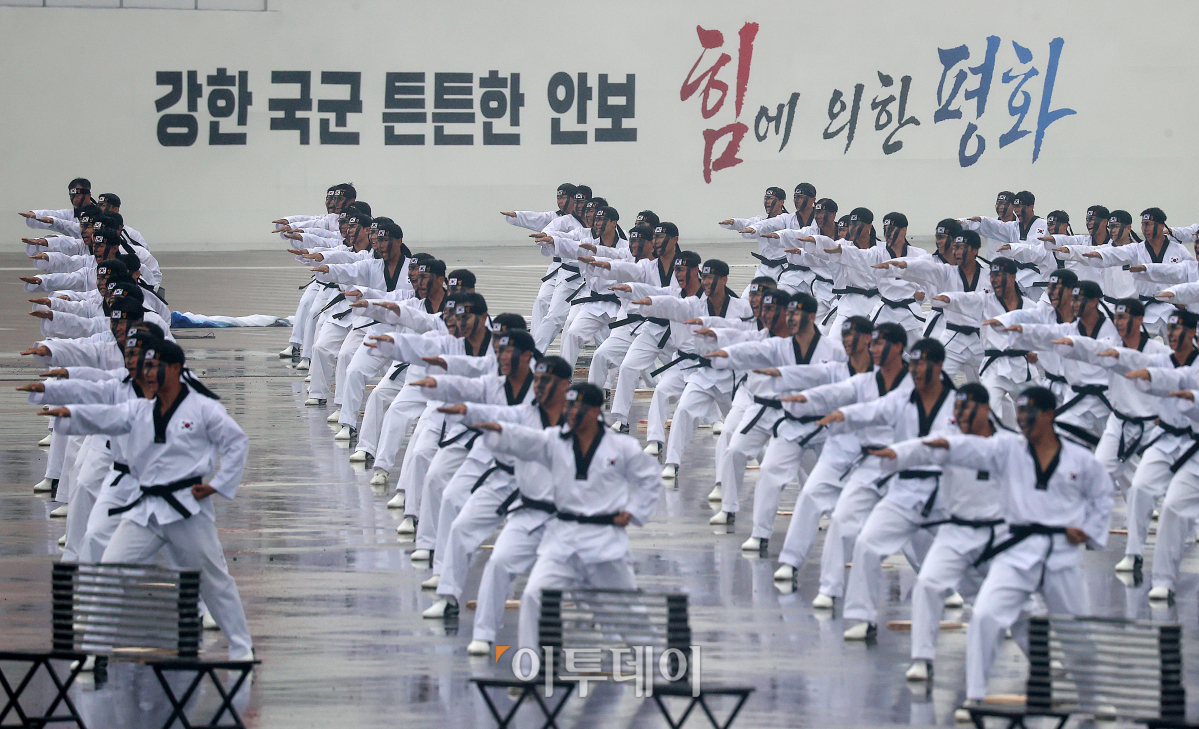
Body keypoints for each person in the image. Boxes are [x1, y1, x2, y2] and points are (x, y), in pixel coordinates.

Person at [42, 341, 255, 660]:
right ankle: (93, 653)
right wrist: (67, 413)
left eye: (155, 367)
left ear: (174, 369)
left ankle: (241, 649)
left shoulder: (202, 407)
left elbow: (237, 442)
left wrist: (217, 486)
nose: (148, 373)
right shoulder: (142, 406)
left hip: (186, 508)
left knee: (214, 580)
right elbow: (105, 417)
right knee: (111, 571)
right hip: (144, 508)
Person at [939, 386, 1111, 714]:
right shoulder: (1010, 449)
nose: (1022, 421)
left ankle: (1094, 701)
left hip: (1061, 556)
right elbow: (967, 450)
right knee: (985, 615)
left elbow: (1102, 496)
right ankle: (975, 697)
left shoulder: (1078, 458)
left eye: (1029, 414)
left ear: (1049, 415)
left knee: (1078, 634)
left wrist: (1088, 530)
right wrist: (926, 447)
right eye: (1018, 414)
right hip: (1016, 553)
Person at [475, 383, 661, 653]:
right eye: (568, 406)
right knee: (533, 597)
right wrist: (499, 431)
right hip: (561, 541)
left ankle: (661, 669)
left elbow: (650, 478)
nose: (571, 412)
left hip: (604, 543)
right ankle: (531, 669)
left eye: (577, 407)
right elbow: (525, 440)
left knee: (628, 615)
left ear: (595, 410)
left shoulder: (622, 446)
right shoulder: (554, 440)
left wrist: (633, 511)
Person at [867, 383, 1007, 680]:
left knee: (1018, 605)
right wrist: (893, 453)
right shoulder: (947, 443)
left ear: (985, 408)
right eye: (956, 408)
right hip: (956, 532)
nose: (959, 415)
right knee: (928, 585)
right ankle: (922, 658)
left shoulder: (1009, 444)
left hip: (998, 536)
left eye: (966, 407)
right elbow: (919, 447)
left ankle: (1043, 663)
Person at [829, 339, 957, 640]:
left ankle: (1017, 614)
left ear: (938, 366)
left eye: (921, 364)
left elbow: (969, 441)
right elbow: (872, 410)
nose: (914, 371)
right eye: (912, 365)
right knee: (868, 543)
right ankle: (862, 617)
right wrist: (843, 416)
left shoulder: (958, 402)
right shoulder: (902, 399)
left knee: (975, 562)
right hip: (904, 490)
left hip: (945, 493)